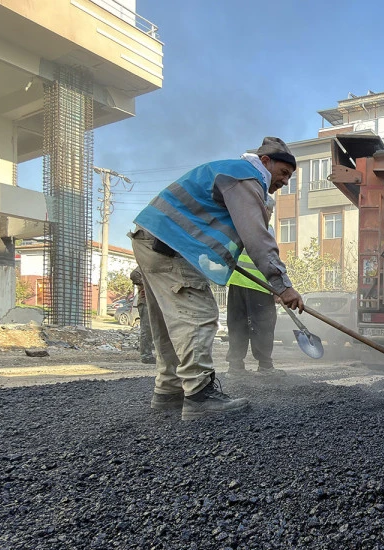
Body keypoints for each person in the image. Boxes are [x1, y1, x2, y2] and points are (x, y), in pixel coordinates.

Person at [130, 137, 303, 421]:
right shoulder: (245, 177)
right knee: (197, 316)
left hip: (154, 238)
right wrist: (282, 285)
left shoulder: (230, 173)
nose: (285, 181)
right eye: (284, 173)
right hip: (172, 245)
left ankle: (170, 390)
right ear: (265, 162)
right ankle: (199, 396)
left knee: (169, 320)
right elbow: (257, 236)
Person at [225, 221, 282, 376]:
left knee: (237, 324)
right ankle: (265, 366)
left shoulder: (236, 221)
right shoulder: (264, 227)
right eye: (269, 209)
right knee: (264, 325)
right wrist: (279, 286)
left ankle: (235, 367)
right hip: (259, 284)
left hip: (237, 280)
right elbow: (270, 256)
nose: (269, 213)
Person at [128, 266, 155, 364]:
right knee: (147, 330)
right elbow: (134, 275)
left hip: (156, 303)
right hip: (146, 302)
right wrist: (146, 286)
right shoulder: (146, 263)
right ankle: (146, 356)